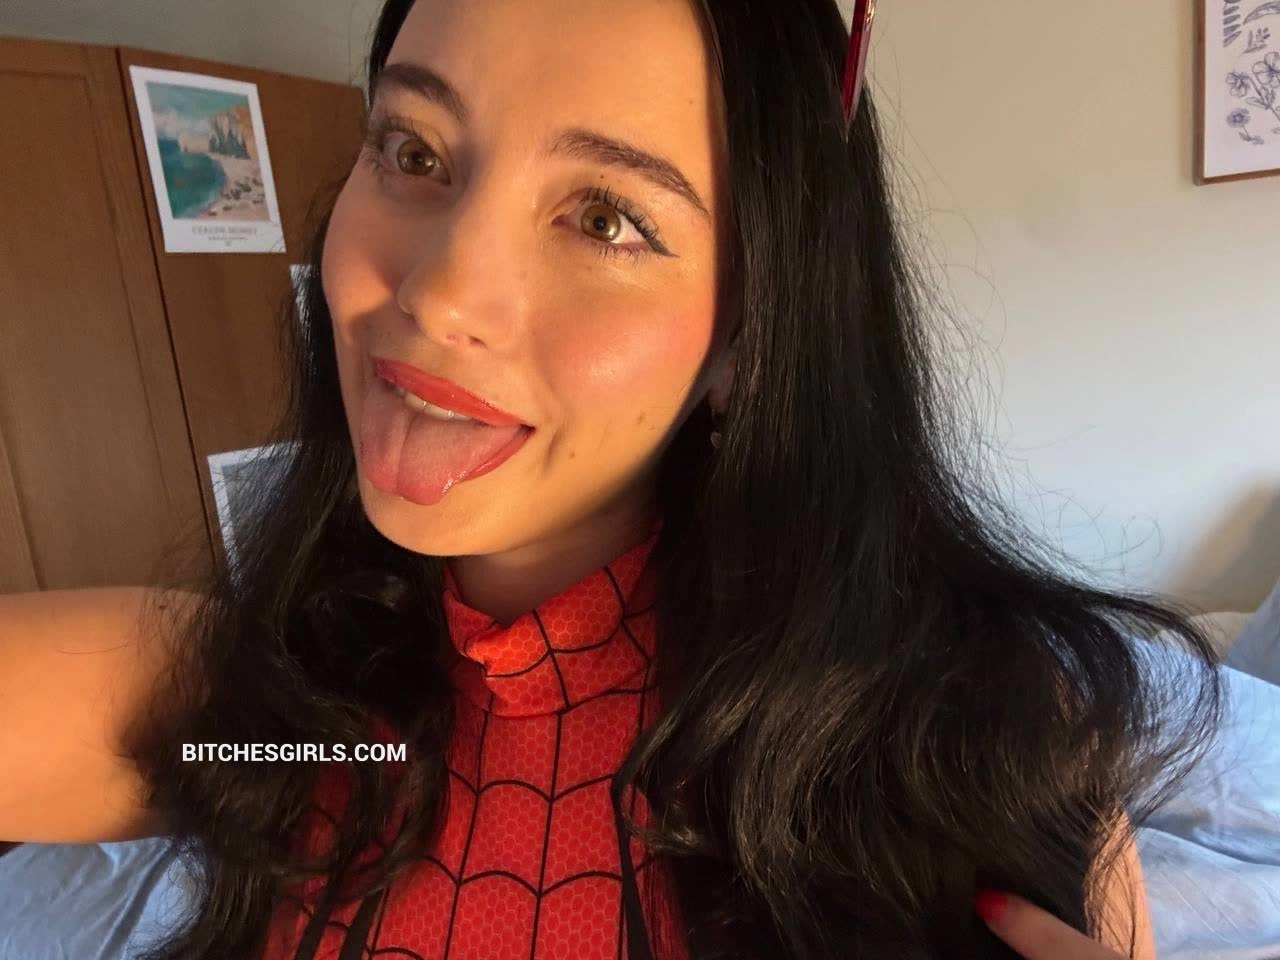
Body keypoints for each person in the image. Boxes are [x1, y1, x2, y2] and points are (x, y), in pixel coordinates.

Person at [0, 1, 1222, 958]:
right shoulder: (262, 711)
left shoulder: (975, 748)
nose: (436, 293)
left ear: (751, 334)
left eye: (606, 220)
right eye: (413, 150)